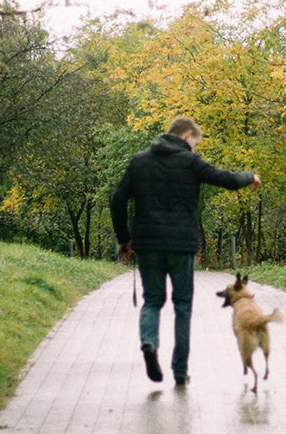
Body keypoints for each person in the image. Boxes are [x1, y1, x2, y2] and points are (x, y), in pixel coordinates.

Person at [111, 116, 260, 386]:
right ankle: (180, 371)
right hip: (182, 246)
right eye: (195, 142)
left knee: (153, 301)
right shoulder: (190, 162)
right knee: (182, 307)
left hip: (148, 245)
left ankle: (149, 342)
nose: (195, 148)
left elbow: (117, 199)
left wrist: (124, 239)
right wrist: (249, 177)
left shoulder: (139, 161)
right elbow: (225, 179)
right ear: (187, 134)